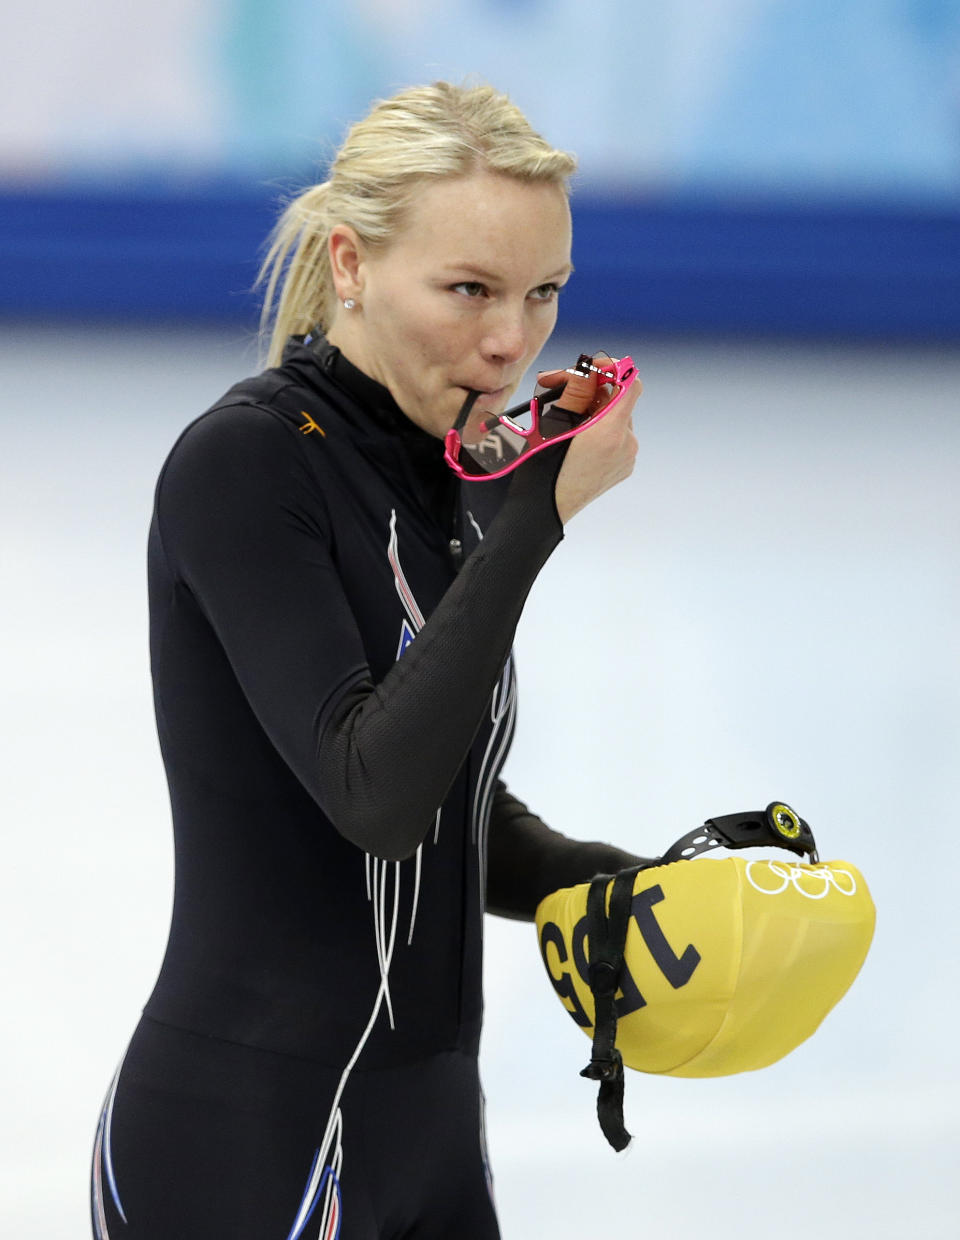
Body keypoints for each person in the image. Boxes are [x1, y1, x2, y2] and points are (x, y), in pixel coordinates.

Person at [91, 81, 645, 1240]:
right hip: (242, 1143)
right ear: (351, 263)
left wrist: (615, 882)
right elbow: (374, 793)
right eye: (470, 290)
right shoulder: (245, 467)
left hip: (429, 1132)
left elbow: (450, 803)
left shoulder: (455, 476)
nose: (511, 339)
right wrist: (538, 516)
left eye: (544, 293)